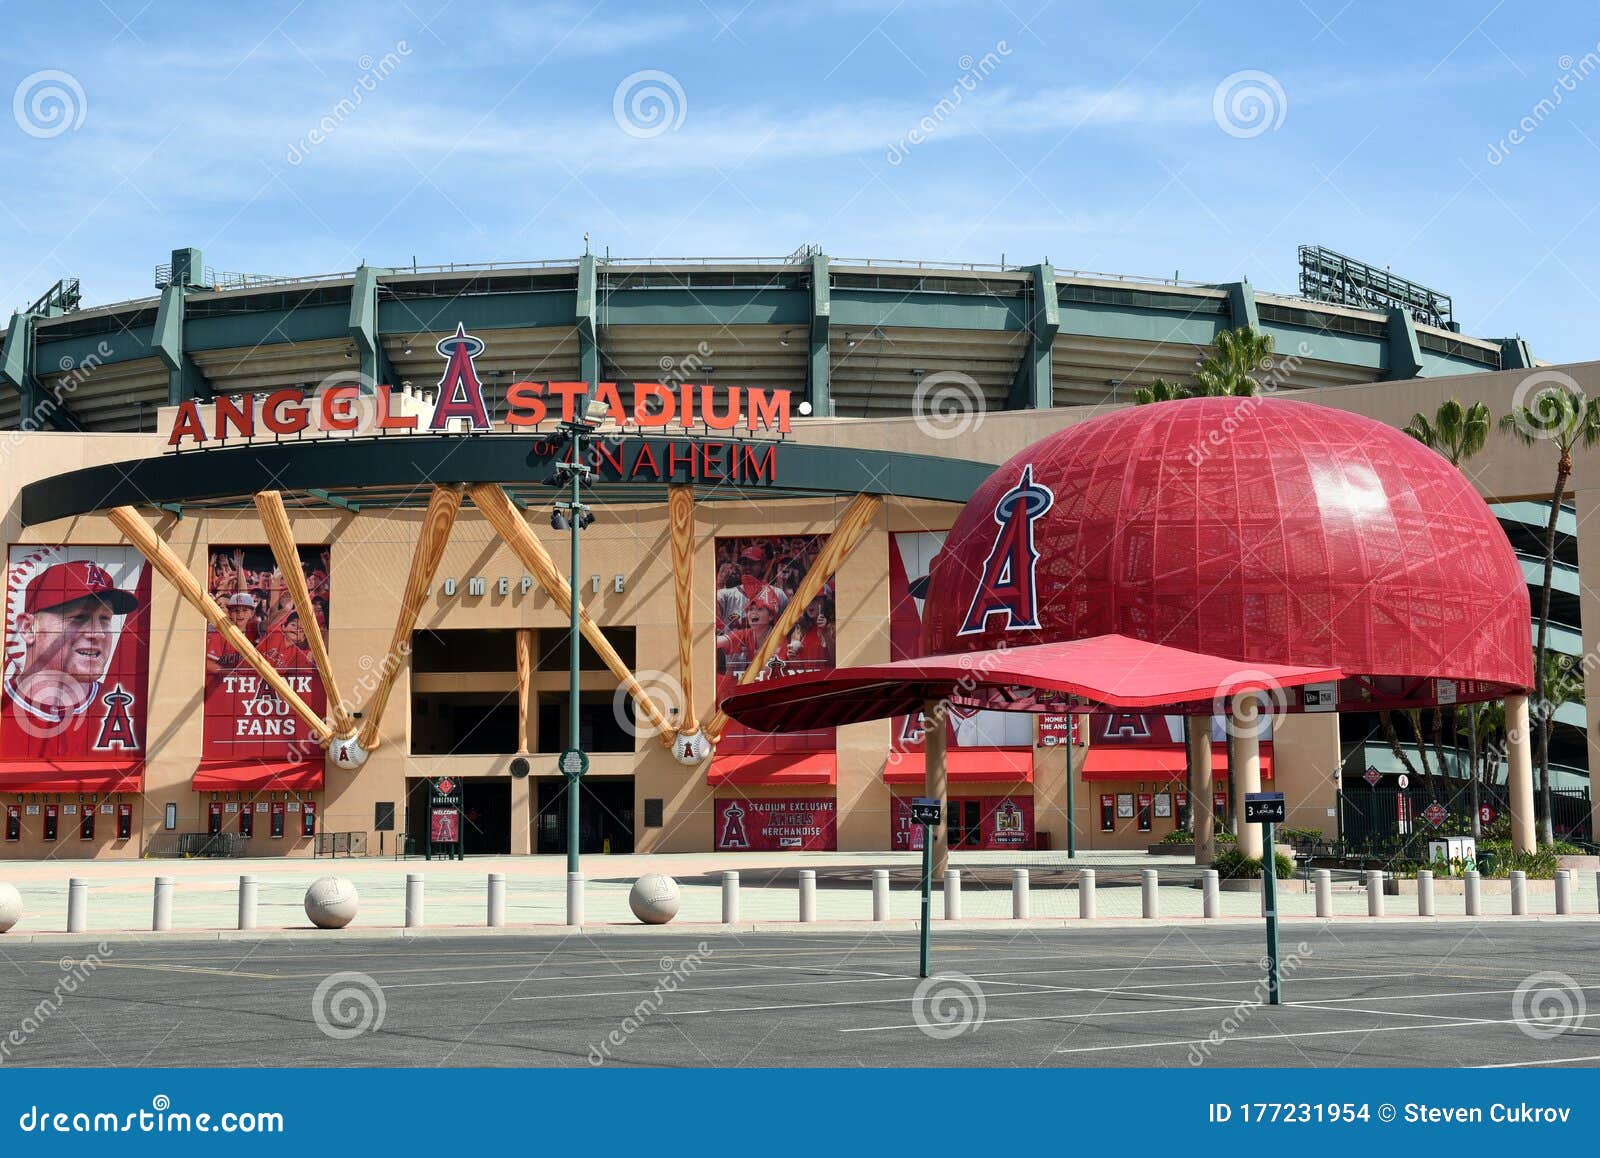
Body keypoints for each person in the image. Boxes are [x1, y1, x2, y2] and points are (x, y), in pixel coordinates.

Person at [2, 559, 141, 747]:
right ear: (28, 628)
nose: (98, 633)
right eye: (79, 618)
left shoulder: (128, 708)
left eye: (105, 619)